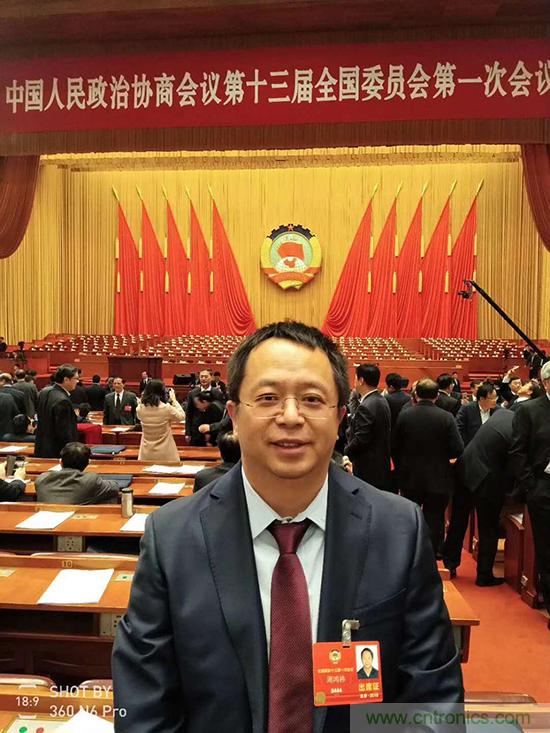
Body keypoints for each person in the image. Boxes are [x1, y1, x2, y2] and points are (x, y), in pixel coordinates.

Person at [113, 321, 462, 732]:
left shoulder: (399, 530)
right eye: (268, 398)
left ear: (340, 418)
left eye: (312, 399)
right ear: (234, 416)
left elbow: (431, 702)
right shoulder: (171, 537)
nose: (291, 416)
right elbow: (145, 710)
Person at [443, 409, 516, 586]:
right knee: (488, 528)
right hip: (487, 480)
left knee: (458, 521)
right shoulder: (518, 432)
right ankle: (484, 575)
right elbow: (516, 465)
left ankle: (449, 564)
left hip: (465, 468)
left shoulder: (501, 414)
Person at [392, 378, 464, 555]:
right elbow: (457, 448)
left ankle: (409, 550)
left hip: (410, 476)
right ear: (437, 396)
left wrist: (402, 466)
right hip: (438, 476)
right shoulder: (446, 417)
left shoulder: (405, 415)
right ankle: (432, 552)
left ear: (416, 394)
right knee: (435, 517)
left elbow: (394, 446)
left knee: (410, 515)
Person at [509, 360, 550, 623]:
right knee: (548, 549)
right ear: (546, 383)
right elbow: (517, 451)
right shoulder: (530, 410)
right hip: (544, 488)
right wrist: (531, 486)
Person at [344, 363, 392, 492]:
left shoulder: (366, 406)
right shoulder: (381, 399)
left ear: (361, 380)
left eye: (355, 378)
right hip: (379, 464)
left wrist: (346, 453)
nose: (354, 381)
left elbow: (361, 438)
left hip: (368, 467)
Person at [35, 441, 120, 504]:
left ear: (61, 462)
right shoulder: (91, 480)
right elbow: (114, 487)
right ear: (87, 464)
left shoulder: (41, 479)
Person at [34, 364, 79, 458]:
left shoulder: (44, 391)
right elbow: (64, 433)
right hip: (56, 452)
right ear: (66, 379)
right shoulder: (63, 401)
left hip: (41, 447)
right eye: (76, 378)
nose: (77, 381)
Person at [136, 380, 185, 463]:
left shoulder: (140, 409)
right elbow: (182, 416)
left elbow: (139, 416)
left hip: (147, 451)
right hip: (165, 451)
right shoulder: (166, 408)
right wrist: (174, 400)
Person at [184, 369, 225, 442]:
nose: (203, 378)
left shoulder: (218, 393)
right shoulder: (192, 393)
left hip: (213, 432)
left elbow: (221, 414)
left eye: (206, 376)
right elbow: (189, 414)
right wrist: (188, 433)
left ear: (211, 378)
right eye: (201, 377)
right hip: (196, 431)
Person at [456, 382, 499, 447]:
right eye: (492, 399)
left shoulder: (498, 410)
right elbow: (458, 428)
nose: (495, 401)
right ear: (482, 399)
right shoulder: (467, 409)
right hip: (471, 447)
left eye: (496, 398)